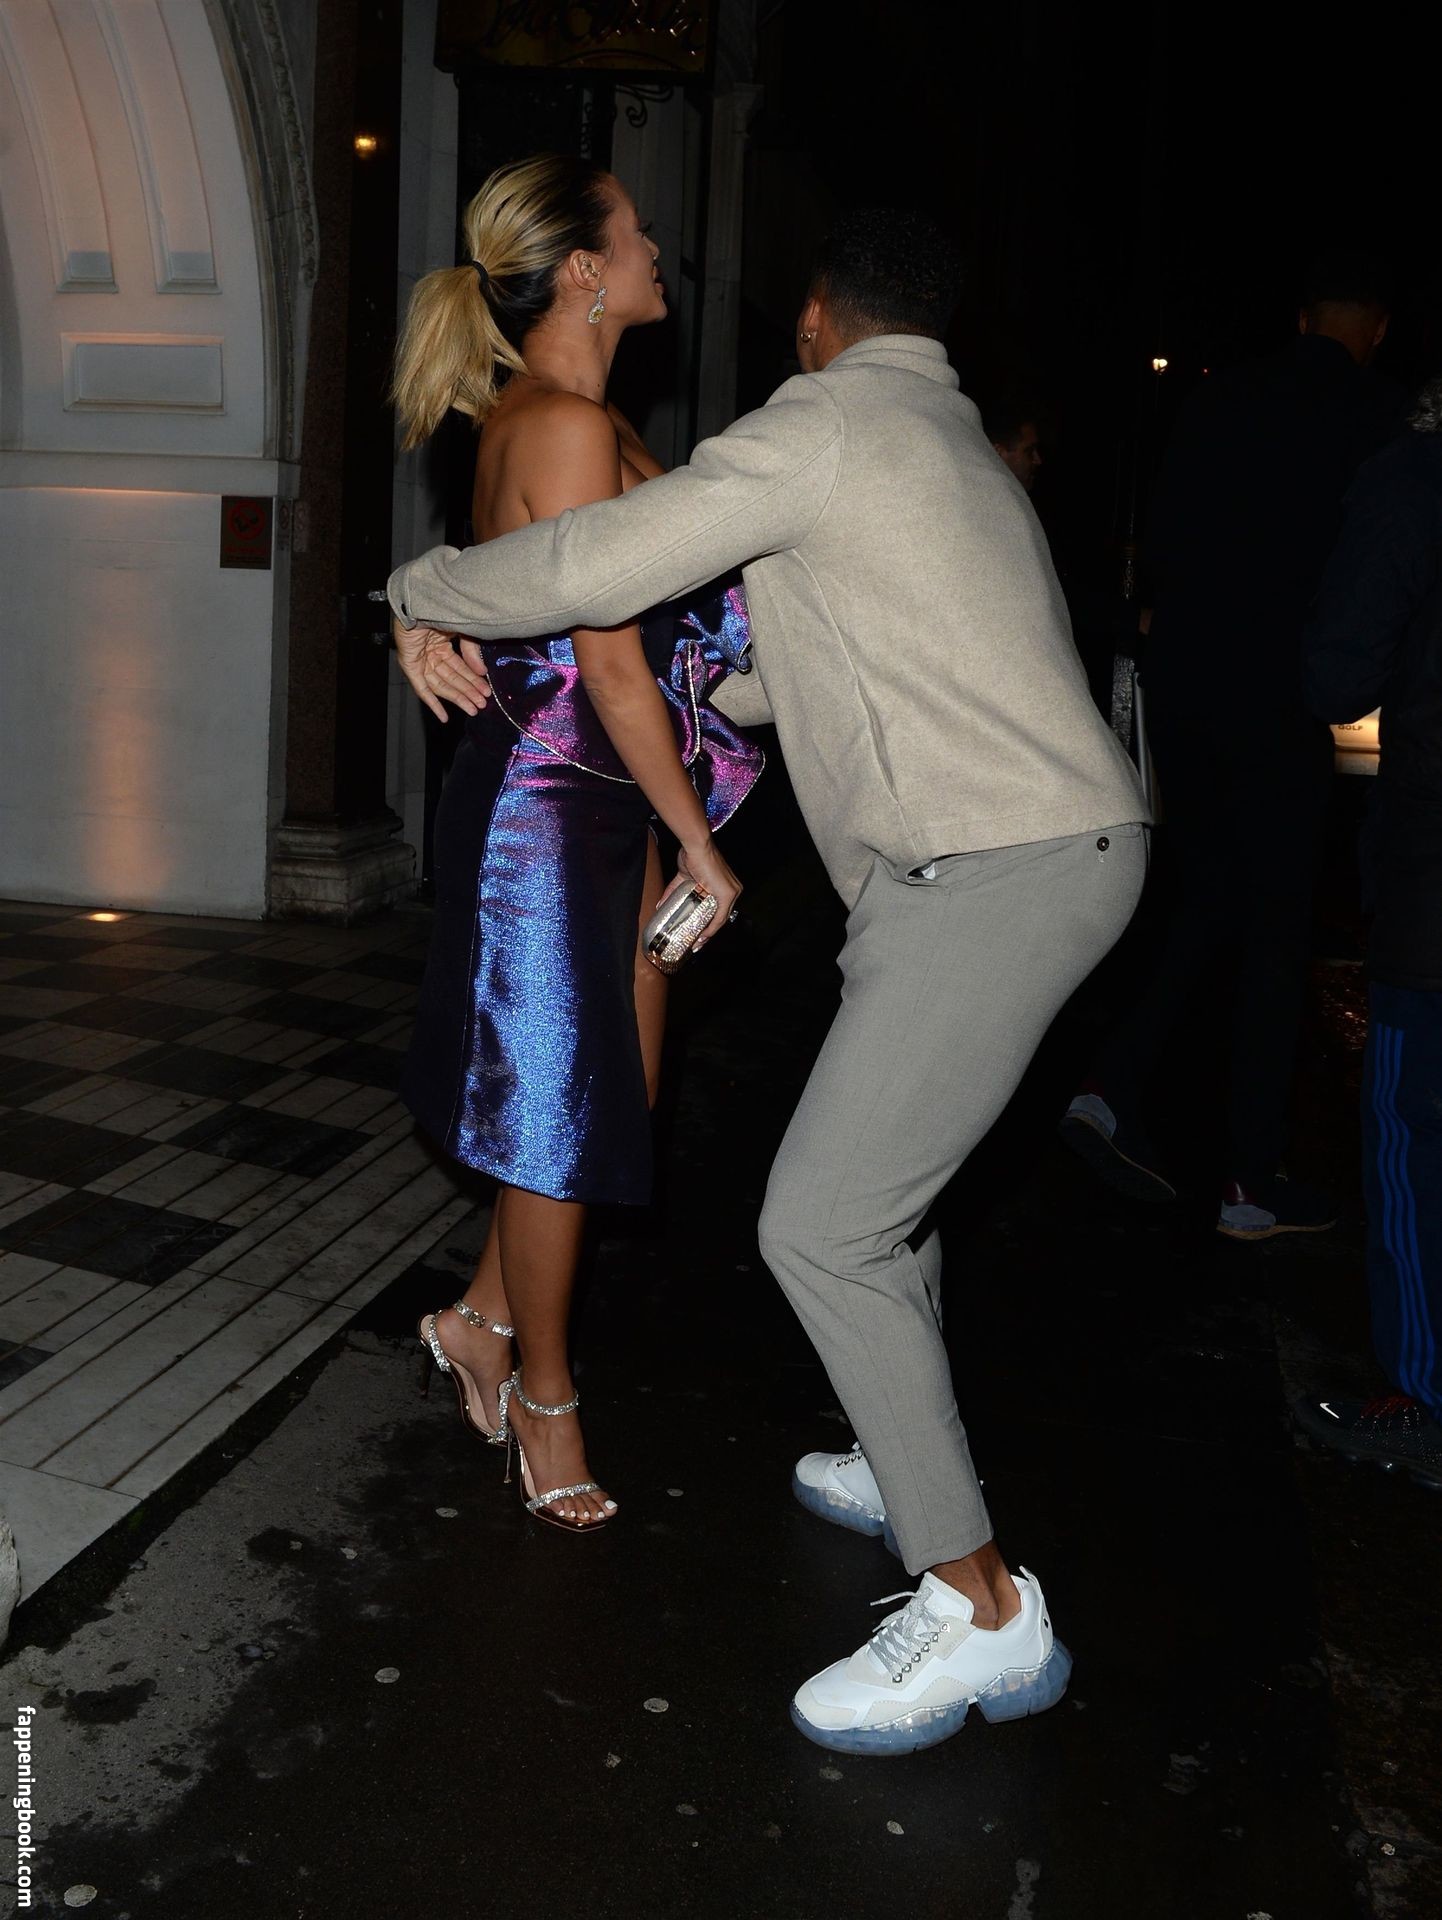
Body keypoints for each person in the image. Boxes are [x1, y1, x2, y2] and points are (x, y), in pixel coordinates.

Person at [389, 207, 1147, 1754]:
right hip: (1020, 855)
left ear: (813, 322)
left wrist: (418, 587)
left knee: (819, 1223)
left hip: (988, 868)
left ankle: (980, 1608)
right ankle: (900, 1451)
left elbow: (593, 571)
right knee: (884, 1194)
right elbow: (749, 673)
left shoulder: (823, 426)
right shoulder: (940, 443)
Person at [391, 155, 761, 1533]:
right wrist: (700, 844)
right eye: (636, 230)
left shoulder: (587, 421)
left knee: (606, 1105)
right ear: (588, 270)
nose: (658, 247)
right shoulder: (554, 425)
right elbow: (608, 664)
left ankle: (479, 1321)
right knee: (561, 1117)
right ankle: (546, 1399)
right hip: (546, 809)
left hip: (602, 802)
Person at [1061, 253, 1402, 1235]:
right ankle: (1248, 1178)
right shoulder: (1375, 422)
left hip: (1189, 680)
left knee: (1210, 891)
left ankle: (1110, 1085)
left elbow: (1165, 539)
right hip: (1278, 692)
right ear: (1376, 328)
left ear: (1301, 316)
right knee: (1277, 928)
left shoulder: (1219, 399)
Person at [1293, 376, 1442, 1487]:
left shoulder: (1414, 481)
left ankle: (1423, 1396)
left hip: (1434, 882)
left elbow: (1335, 669)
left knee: (1410, 1130)